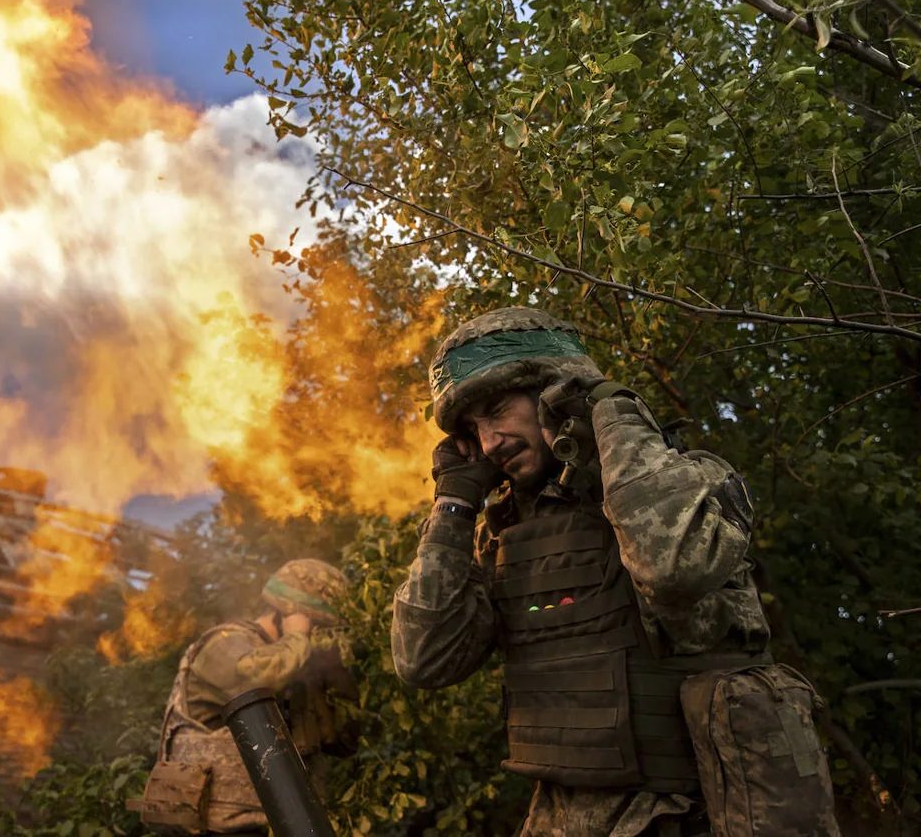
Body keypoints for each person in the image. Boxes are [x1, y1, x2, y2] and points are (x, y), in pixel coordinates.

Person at [391, 307, 837, 836]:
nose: (489, 443)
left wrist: (612, 414)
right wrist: (455, 502)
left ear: (557, 391)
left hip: (697, 816)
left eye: (496, 409)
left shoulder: (693, 483)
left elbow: (671, 568)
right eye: (473, 429)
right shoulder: (502, 537)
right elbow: (424, 659)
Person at [136, 558, 354, 835]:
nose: (316, 638)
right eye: (317, 627)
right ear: (289, 616)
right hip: (215, 826)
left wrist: (334, 668)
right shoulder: (225, 643)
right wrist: (298, 637)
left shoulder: (293, 665)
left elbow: (343, 741)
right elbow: (256, 679)